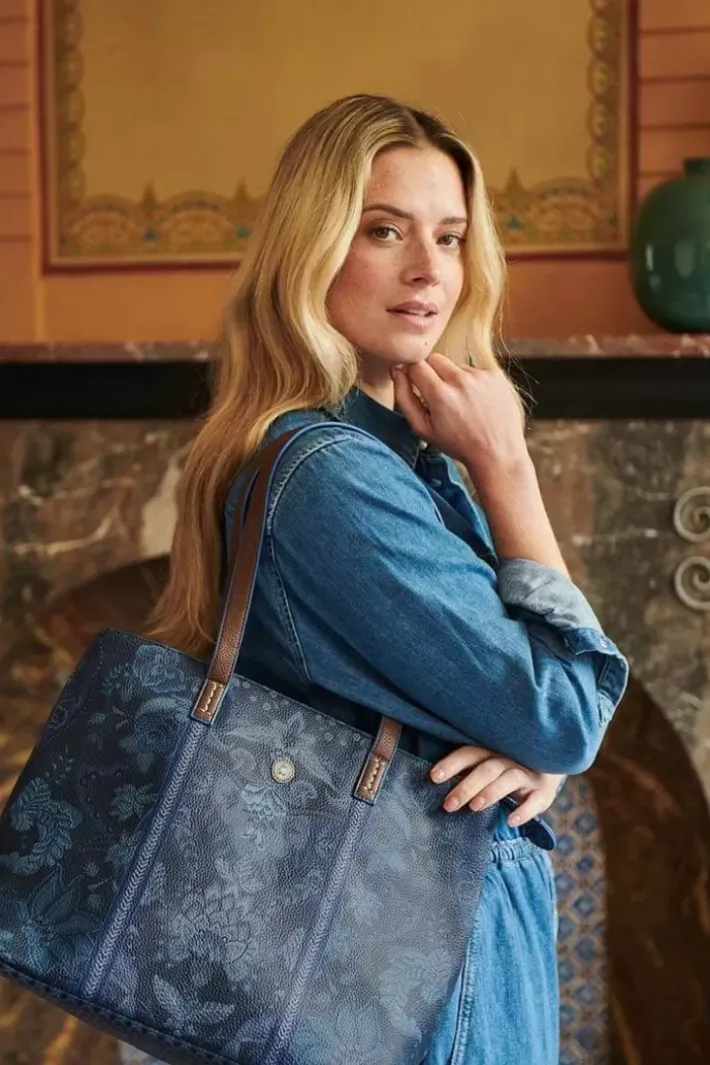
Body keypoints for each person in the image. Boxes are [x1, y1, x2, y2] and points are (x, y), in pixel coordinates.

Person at [147, 94, 629, 1065]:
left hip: (404, 968)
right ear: (311, 248)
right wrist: (509, 468)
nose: (428, 271)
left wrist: (537, 743)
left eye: (449, 238)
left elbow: (542, 705)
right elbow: (564, 707)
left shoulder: (398, 463)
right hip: (413, 985)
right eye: (383, 231)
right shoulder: (333, 476)